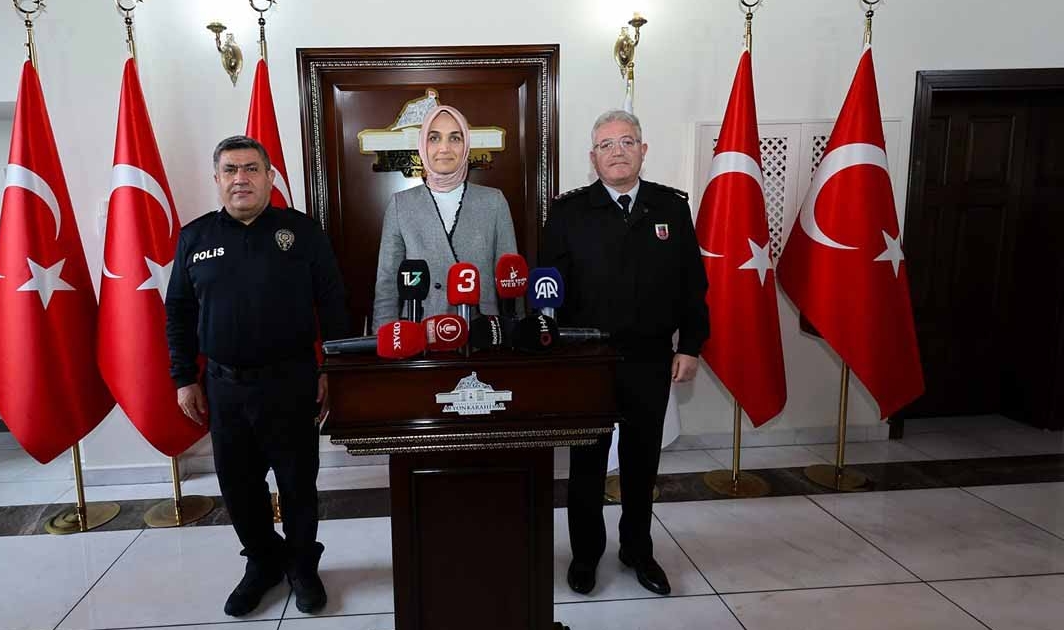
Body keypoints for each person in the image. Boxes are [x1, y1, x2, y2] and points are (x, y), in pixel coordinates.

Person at [165, 135, 349, 616]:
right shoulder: (195, 238)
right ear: (217, 179)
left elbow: (333, 304)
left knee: (297, 483)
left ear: (270, 177)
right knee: (238, 486)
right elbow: (178, 312)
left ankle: (302, 565)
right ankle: (264, 562)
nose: (240, 178)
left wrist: (332, 368)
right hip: (224, 387)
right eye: (230, 170)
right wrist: (184, 377)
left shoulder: (302, 232)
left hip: (291, 382)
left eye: (251, 169)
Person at [539, 110, 709, 596]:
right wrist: (553, 351)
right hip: (588, 361)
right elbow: (547, 288)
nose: (617, 151)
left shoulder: (671, 207)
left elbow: (692, 285)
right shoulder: (569, 212)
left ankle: (637, 549)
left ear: (643, 150)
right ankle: (586, 554)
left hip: (650, 357)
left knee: (641, 463)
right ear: (593, 157)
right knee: (587, 465)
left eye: (627, 142)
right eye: (606, 145)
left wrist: (691, 345)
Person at [372, 104, 520, 327]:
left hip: (483, 331)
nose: (444, 148)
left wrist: (515, 333)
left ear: (466, 145)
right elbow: (387, 284)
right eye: (434, 138)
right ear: (423, 145)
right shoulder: (400, 205)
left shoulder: (494, 202)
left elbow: (512, 278)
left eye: (455, 138)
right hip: (421, 330)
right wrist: (384, 337)